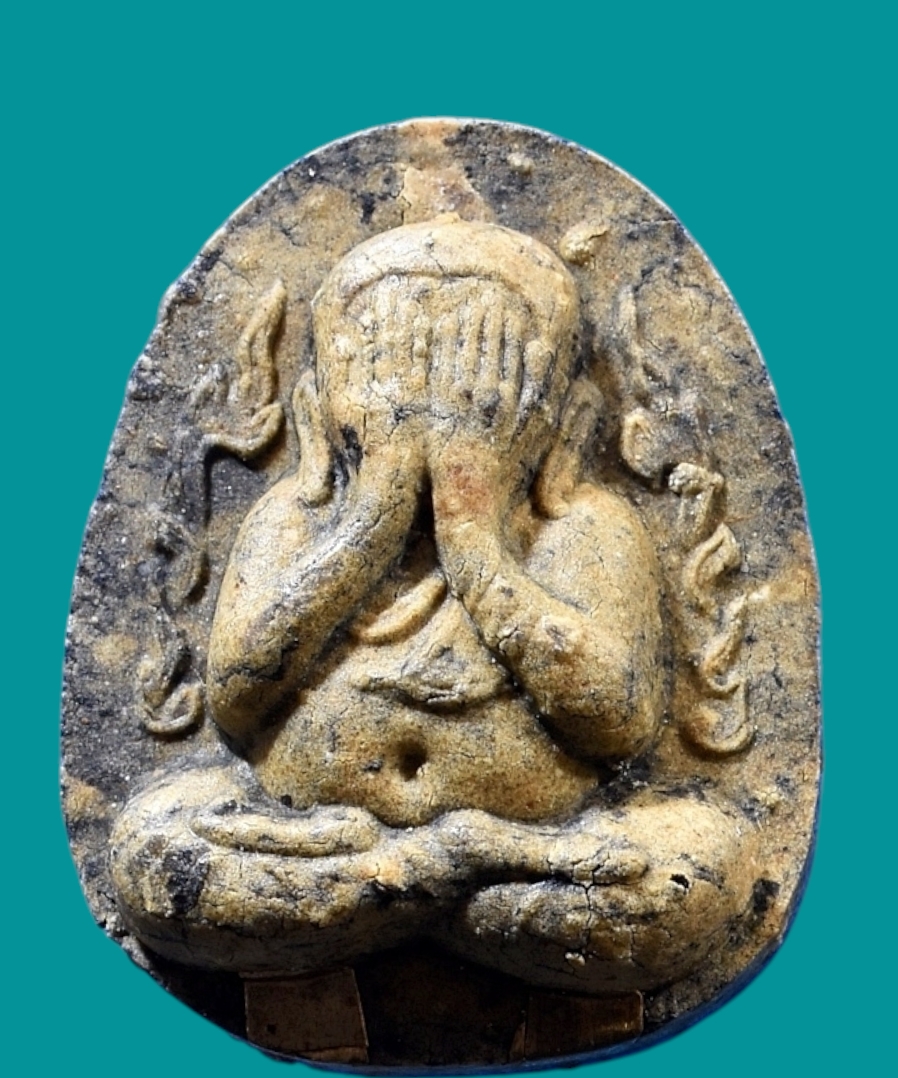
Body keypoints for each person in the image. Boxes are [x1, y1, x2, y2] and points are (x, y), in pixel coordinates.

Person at [111, 217, 756, 992]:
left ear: (565, 426)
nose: (431, 422)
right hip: (381, 849)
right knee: (153, 850)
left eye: (481, 387)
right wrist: (372, 517)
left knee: (698, 870)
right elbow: (236, 702)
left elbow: (620, 721)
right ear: (316, 413)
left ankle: (405, 888)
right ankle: (445, 867)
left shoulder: (585, 528)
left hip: (497, 855)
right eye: (388, 379)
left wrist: (472, 533)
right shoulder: (292, 520)